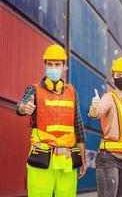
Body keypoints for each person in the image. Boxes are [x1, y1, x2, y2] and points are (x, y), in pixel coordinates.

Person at [16, 44, 87, 197]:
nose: (53, 68)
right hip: (42, 159)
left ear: (64, 67)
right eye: (50, 64)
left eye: (57, 64)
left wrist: (83, 155)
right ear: (45, 65)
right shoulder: (34, 90)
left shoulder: (72, 92)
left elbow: (78, 125)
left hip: (67, 162)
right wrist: (24, 108)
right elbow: (20, 106)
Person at [89, 56, 122, 197]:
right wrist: (94, 106)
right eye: (118, 75)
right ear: (113, 77)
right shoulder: (108, 98)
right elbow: (96, 113)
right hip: (109, 158)